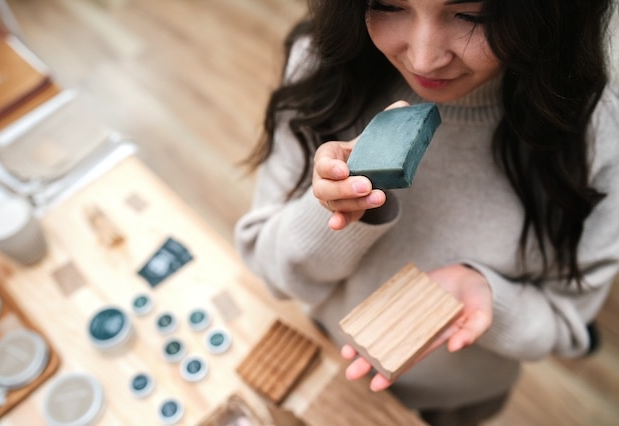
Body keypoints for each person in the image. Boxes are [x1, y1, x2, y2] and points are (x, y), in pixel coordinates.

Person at [235, 0, 619, 424]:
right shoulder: (321, 62)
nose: (424, 58)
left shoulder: (600, 133)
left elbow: (567, 327)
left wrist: (488, 297)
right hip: (330, 364)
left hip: (458, 399)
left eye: (473, 16)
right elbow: (266, 266)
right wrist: (336, 209)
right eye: (387, 5)